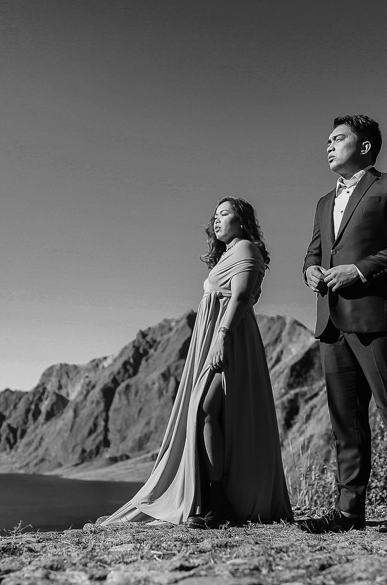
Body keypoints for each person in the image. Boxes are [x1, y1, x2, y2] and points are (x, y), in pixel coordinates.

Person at [101, 197, 293, 528]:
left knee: (205, 408)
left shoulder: (246, 249)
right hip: (219, 337)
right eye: (214, 215)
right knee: (209, 411)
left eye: (224, 214)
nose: (216, 220)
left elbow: (242, 297)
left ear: (242, 220)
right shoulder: (229, 255)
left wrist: (221, 337)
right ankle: (211, 500)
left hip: (231, 338)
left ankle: (217, 503)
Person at [298, 115, 387, 535]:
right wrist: (310, 273)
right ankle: (349, 512)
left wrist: (360, 270)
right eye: (328, 140)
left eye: (338, 139)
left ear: (366, 147)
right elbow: (313, 253)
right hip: (331, 323)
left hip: (378, 318)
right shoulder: (323, 202)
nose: (329, 146)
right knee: (346, 423)